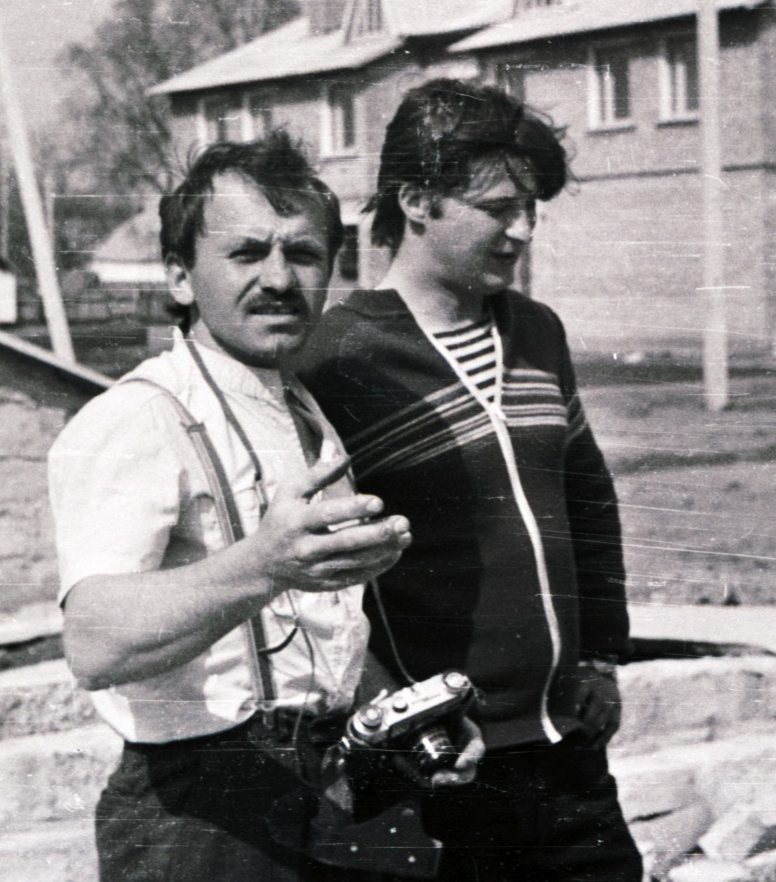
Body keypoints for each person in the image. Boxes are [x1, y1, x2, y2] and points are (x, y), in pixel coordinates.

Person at [49, 131, 479, 882]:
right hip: (199, 811)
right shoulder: (138, 416)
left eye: (303, 254)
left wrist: (403, 716)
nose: (278, 278)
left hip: (325, 785)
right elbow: (93, 643)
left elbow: (314, 636)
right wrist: (264, 562)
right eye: (246, 253)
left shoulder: (304, 414)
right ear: (180, 276)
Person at [297, 79, 642, 881]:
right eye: (496, 207)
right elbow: (315, 579)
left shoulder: (538, 332)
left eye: (531, 208)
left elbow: (586, 498)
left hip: (566, 750)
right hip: (439, 762)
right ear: (417, 200)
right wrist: (394, 716)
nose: (521, 229)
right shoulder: (339, 357)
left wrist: (598, 656)